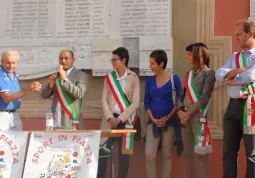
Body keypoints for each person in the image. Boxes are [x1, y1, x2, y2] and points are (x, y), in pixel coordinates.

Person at [215, 19, 255, 178]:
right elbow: (219, 74)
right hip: (232, 107)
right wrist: (238, 71)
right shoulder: (235, 56)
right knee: (228, 152)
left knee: (252, 154)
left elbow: (251, 76)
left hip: (251, 107)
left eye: (239, 34)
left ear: (250, 34)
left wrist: (233, 79)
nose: (236, 37)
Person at [97, 47, 140, 178]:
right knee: (103, 154)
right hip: (109, 120)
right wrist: (110, 117)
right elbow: (103, 98)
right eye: (112, 60)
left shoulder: (133, 77)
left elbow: (135, 103)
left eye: (115, 60)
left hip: (125, 120)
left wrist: (120, 118)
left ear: (123, 60)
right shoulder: (109, 78)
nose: (113, 62)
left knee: (123, 157)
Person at [177, 43, 216, 178]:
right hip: (185, 118)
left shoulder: (209, 74)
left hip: (197, 116)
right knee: (188, 154)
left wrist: (187, 113)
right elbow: (180, 96)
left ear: (197, 55)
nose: (187, 57)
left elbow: (204, 98)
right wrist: (180, 111)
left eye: (189, 54)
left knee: (201, 155)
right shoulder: (188, 75)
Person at [144, 49, 183, 178]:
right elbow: (146, 103)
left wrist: (167, 117)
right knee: (149, 154)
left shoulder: (174, 79)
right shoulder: (149, 81)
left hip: (170, 122)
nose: (150, 66)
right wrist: (154, 119)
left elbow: (179, 101)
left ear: (161, 64)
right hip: (153, 122)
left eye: (152, 63)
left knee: (167, 154)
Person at [41, 50, 87, 130]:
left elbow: (79, 93)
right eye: (61, 58)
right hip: (55, 122)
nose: (63, 61)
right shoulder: (56, 75)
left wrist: (65, 79)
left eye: (66, 58)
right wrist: (50, 84)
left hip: (70, 121)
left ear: (73, 60)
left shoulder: (81, 75)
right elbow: (44, 95)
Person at [0, 51, 42, 131]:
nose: (11, 66)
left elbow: (15, 93)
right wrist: (29, 90)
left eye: (13, 63)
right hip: (2, 116)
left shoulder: (14, 74)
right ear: (1, 62)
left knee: (16, 142)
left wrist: (30, 87)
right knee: (3, 143)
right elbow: (7, 98)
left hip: (14, 114)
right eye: (8, 63)